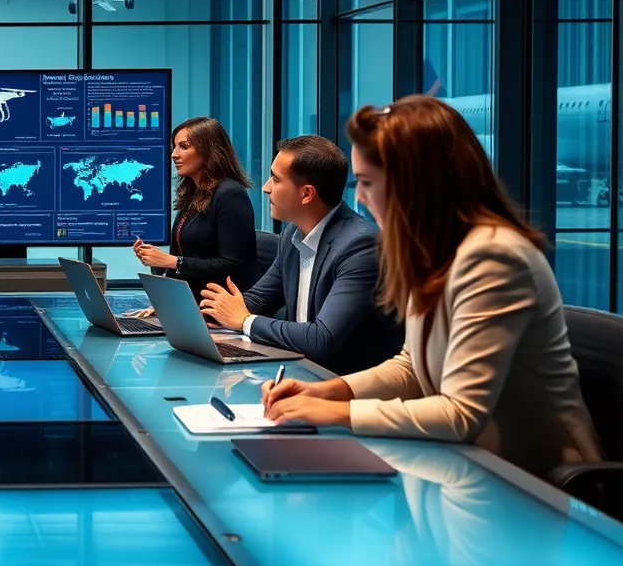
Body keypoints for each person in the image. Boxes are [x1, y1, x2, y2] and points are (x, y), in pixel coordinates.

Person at [262, 96, 603, 479]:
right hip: (463, 467)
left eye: (368, 182)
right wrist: (331, 390)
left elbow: (461, 413)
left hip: (535, 485)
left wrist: (338, 412)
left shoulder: (493, 256)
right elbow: (412, 367)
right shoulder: (433, 252)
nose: (359, 197)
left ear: (416, 184)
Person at [197, 136, 402, 374]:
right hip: (298, 369)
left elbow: (321, 339)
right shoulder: (292, 233)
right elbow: (259, 300)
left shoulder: (360, 245)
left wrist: (244, 321)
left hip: (342, 381)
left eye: (275, 179)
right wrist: (206, 314)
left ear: (307, 194)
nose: (266, 187)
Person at [130, 117, 256, 317]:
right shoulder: (193, 196)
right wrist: (165, 304)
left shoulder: (230, 194)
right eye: (174, 147)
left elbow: (230, 265)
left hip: (220, 312)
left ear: (208, 151)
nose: (174, 154)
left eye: (183, 147)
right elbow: (185, 261)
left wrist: (173, 261)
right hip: (192, 309)